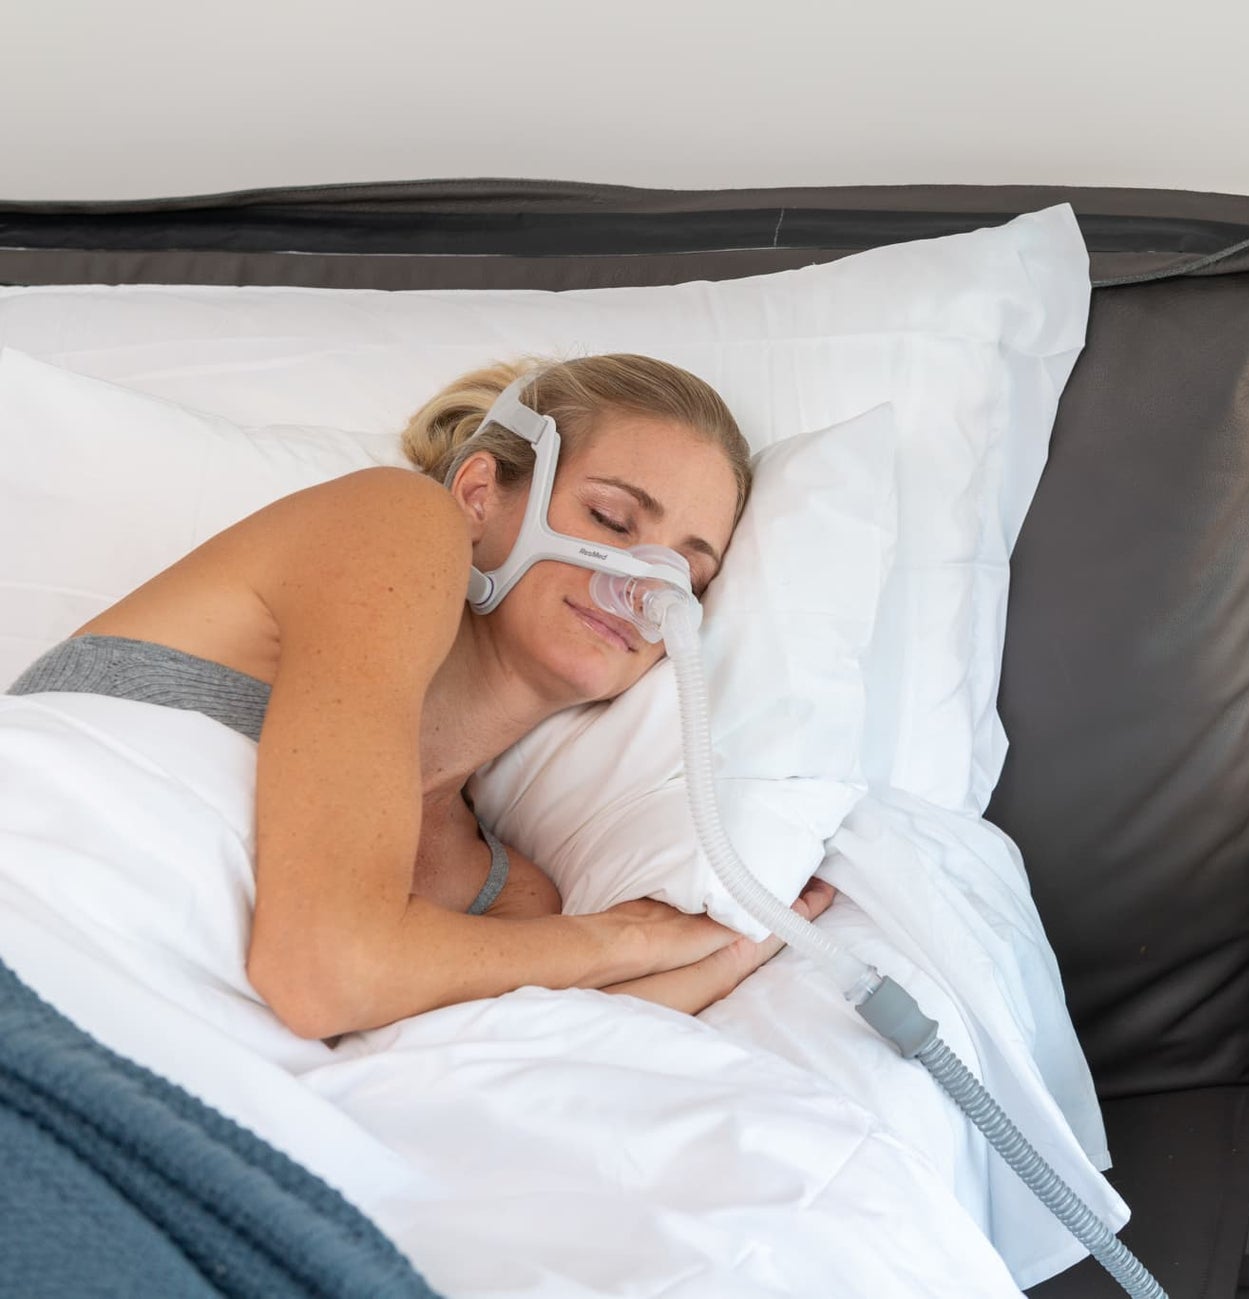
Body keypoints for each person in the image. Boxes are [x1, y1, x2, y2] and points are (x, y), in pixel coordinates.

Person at [4, 354, 834, 1039]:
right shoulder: (395, 521)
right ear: (478, 497)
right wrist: (625, 937)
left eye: (687, 574)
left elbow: (447, 1074)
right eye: (613, 520)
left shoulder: (511, 899)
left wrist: (723, 959)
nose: (642, 585)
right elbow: (326, 973)